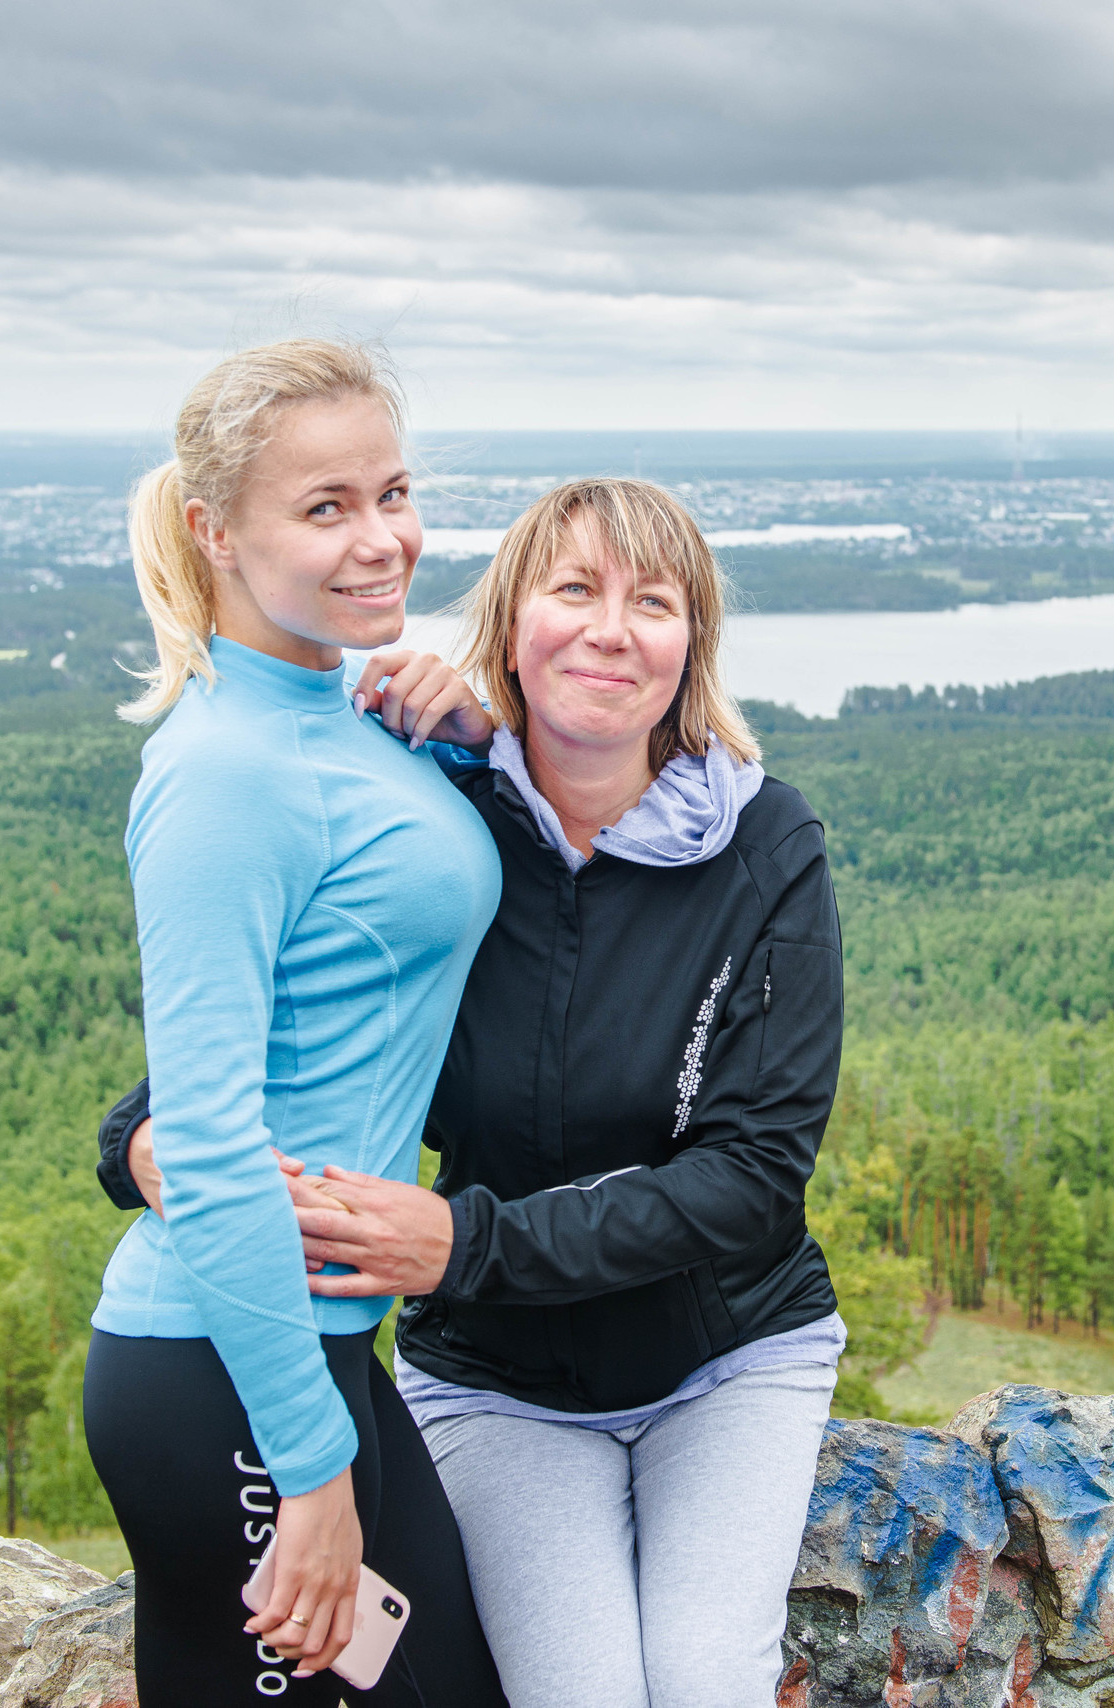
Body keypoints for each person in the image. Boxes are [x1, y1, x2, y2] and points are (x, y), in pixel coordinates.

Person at [101, 477, 848, 1708]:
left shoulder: (765, 846)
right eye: (573, 590)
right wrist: (138, 1138)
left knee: (707, 1683)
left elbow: (754, 1182)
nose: (611, 630)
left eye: (652, 602)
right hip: (500, 1382)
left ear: (689, 647)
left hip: (727, 1361)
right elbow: (264, 1054)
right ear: (509, 628)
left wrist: (460, 1240)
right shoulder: (446, 827)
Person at [79, 339, 509, 1707]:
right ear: (216, 530)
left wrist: (469, 741)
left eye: (393, 491)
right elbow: (202, 1141)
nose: (384, 539)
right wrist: (310, 1473)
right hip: (234, 1374)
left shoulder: (336, 715)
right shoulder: (223, 771)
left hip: (310, 1355)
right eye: (327, 507)